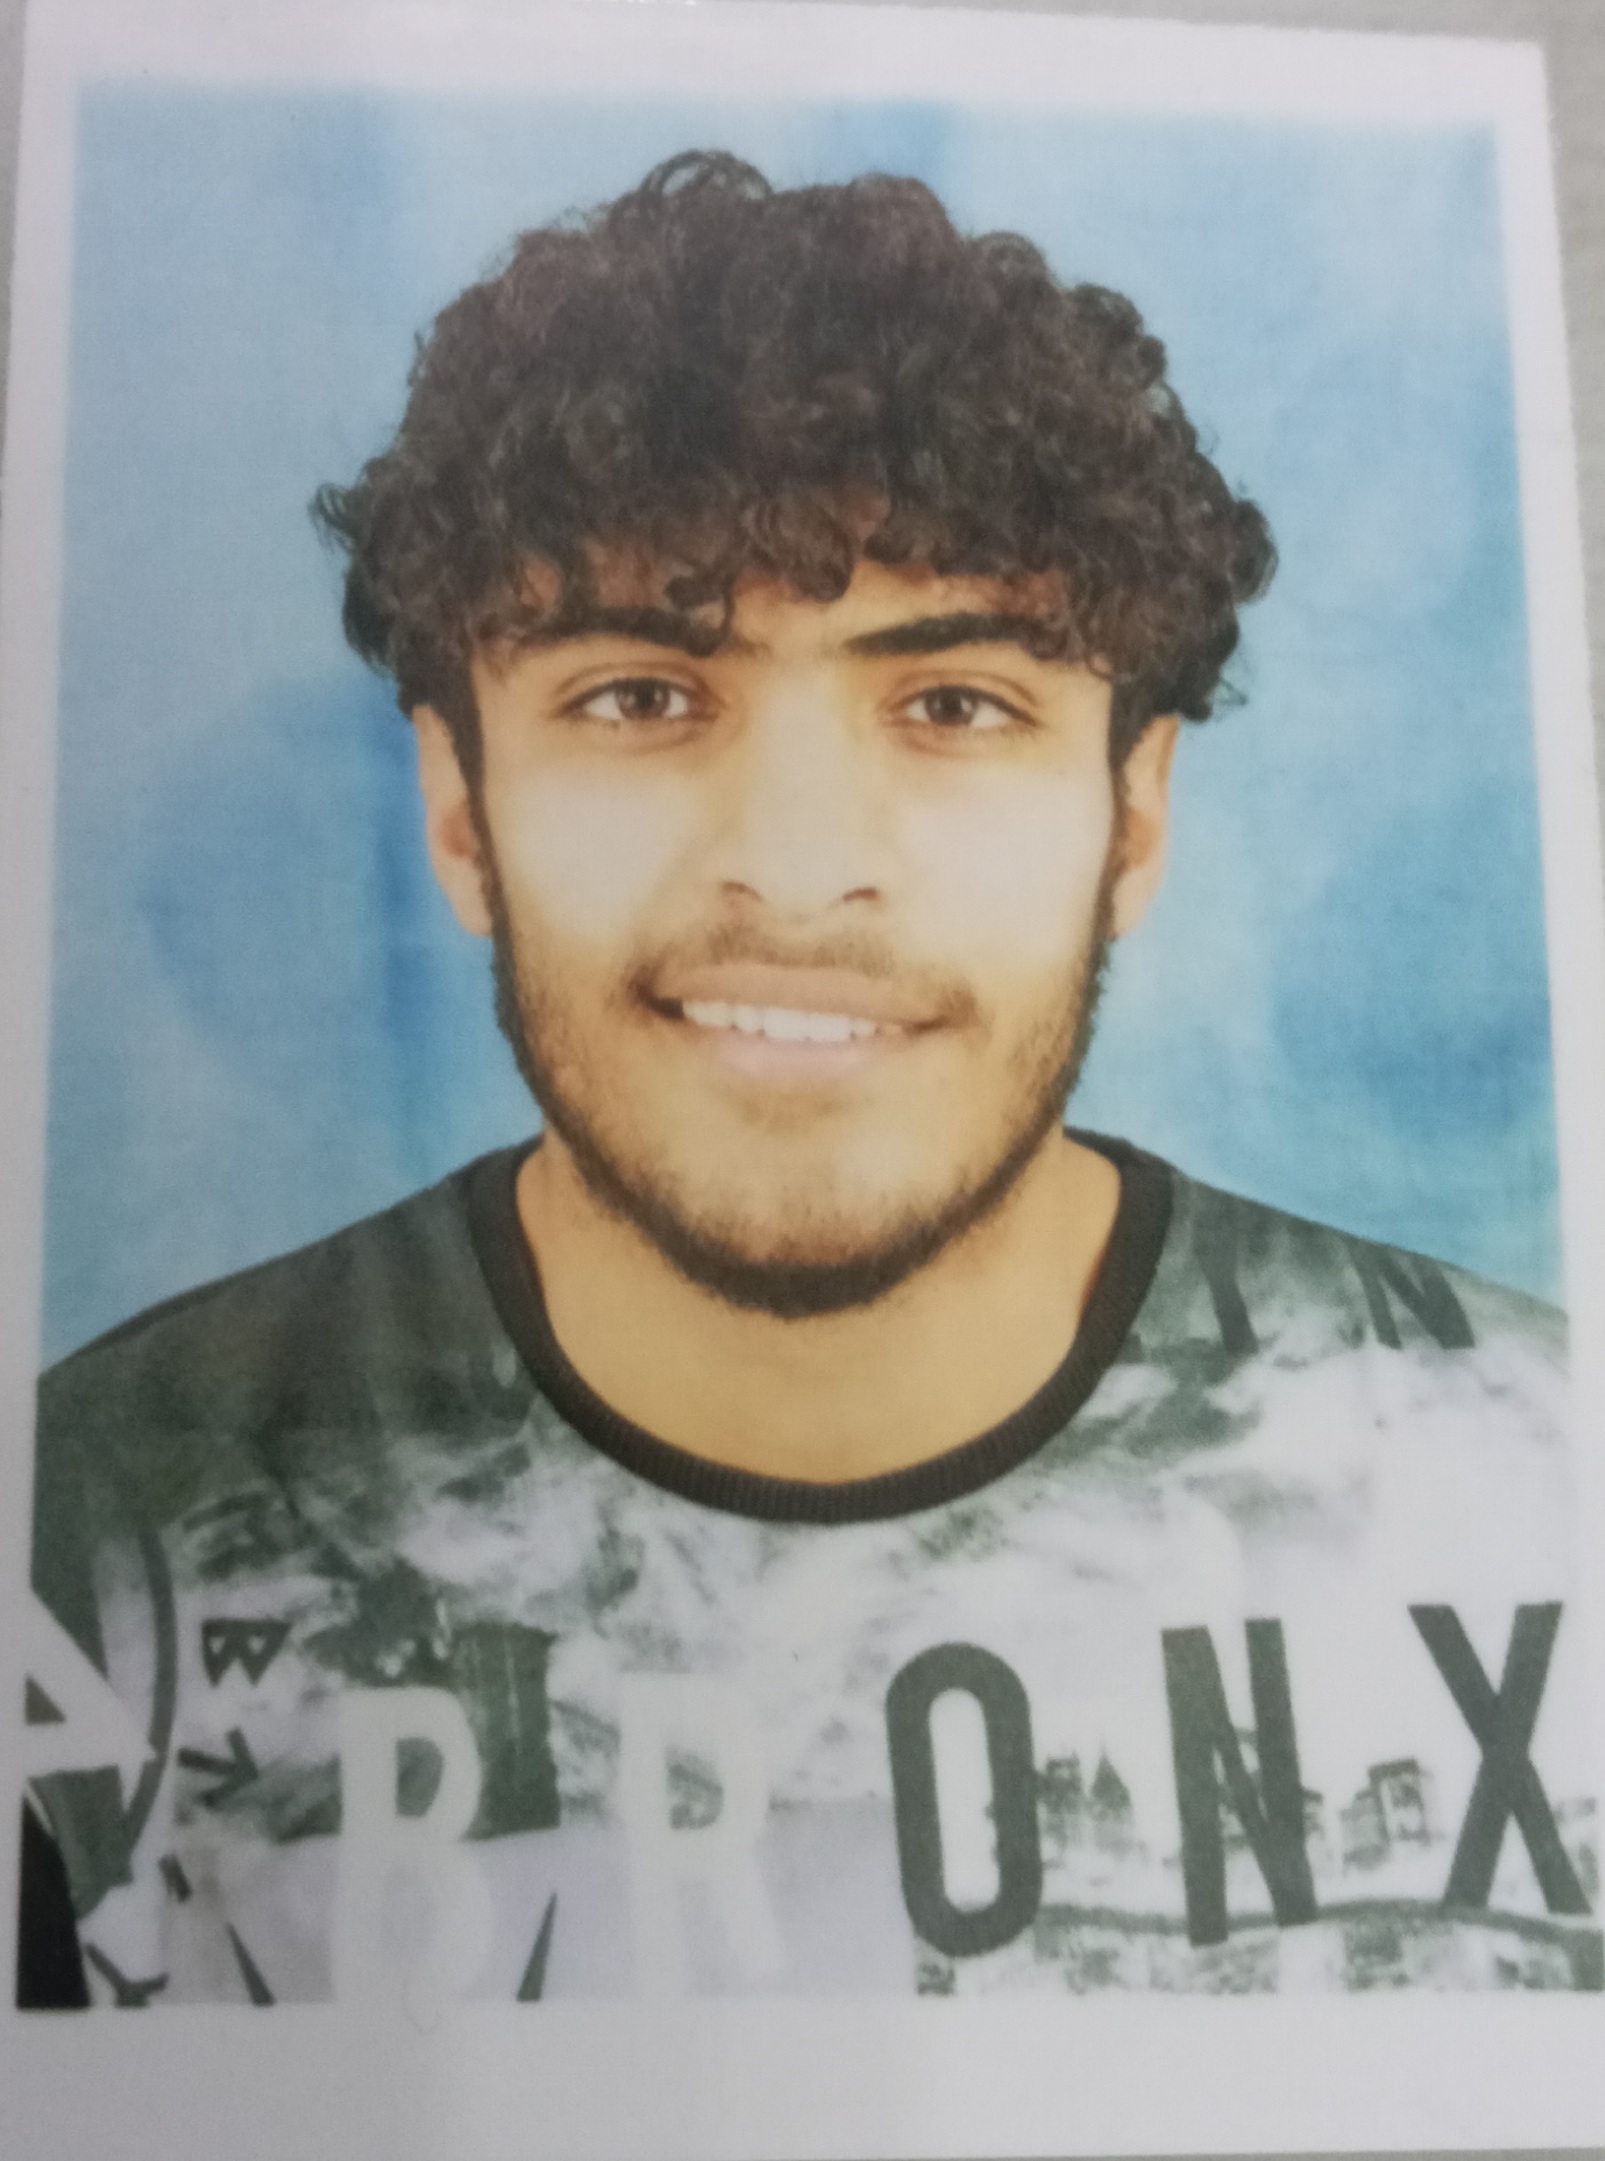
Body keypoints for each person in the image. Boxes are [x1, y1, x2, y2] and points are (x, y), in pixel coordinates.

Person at [21, 152, 1595, 2012]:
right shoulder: (83, 1541)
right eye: (639, 695)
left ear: (1132, 816)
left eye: (953, 705)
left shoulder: (1544, 1473)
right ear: (457, 806)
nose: (791, 865)